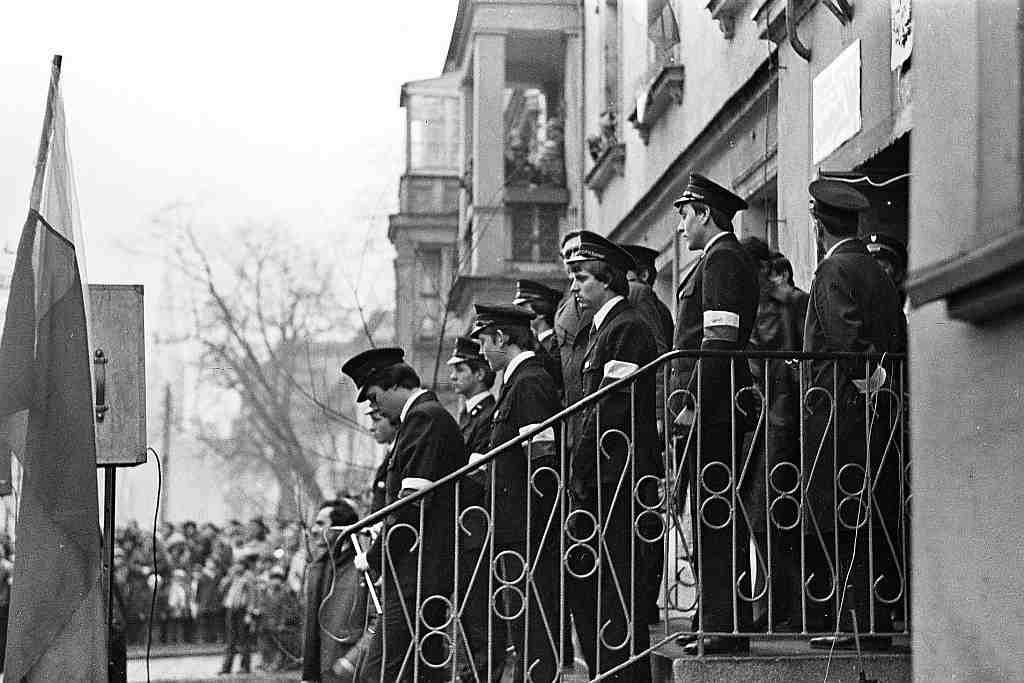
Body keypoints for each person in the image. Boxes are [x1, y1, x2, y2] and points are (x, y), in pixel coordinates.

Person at [802, 179, 906, 651]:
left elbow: (848, 345)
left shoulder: (832, 270)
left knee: (844, 511)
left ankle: (857, 624)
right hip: (874, 414)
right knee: (873, 511)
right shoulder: (877, 272)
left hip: (841, 414)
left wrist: (870, 387)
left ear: (818, 223)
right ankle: (874, 621)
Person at [671, 173, 759, 654]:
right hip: (712, 409)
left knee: (715, 516)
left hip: (716, 411)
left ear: (705, 213)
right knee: (709, 516)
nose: (682, 227)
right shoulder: (717, 258)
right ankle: (712, 617)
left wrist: (692, 405)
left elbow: (718, 343)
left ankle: (723, 626)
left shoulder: (724, 259)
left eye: (685, 215)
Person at [562, 231, 656, 682]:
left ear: (606, 280)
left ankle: (623, 673)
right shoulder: (601, 329)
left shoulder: (627, 327)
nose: (575, 287)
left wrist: (577, 468)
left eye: (581, 278)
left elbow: (608, 409)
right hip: (600, 474)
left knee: (619, 582)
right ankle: (609, 669)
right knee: (599, 583)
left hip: (616, 474)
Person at [341, 348, 465, 682]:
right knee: (420, 669)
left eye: (375, 396)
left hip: (418, 570)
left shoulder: (424, 418)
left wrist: (375, 556)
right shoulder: (422, 418)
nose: (373, 407)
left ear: (395, 385)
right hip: (417, 566)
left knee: (382, 671)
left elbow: (411, 503)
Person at [470, 305, 562, 682]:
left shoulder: (529, 382)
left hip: (528, 527)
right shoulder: (517, 380)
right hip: (515, 526)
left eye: (483, 342)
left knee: (532, 621)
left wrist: (538, 528)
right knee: (521, 620)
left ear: (502, 338)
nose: (481, 352)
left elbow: (543, 460)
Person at [739, 237, 805, 632]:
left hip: (785, 424)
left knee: (779, 514)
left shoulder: (790, 302)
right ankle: (772, 606)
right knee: (760, 517)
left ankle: (787, 608)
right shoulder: (751, 305)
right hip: (759, 425)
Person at [446, 335, 497, 680]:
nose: (452, 377)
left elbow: (475, 477)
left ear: (479, 373)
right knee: (468, 610)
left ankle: (482, 674)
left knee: (479, 612)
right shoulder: (467, 416)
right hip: (465, 527)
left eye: (459, 369)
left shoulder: (488, 416)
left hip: (477, 526)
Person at [301, 499, 369, 683]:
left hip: (351, 673)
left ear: (342, 529)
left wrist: (352, 660)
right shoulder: (317, 568)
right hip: (323, 674)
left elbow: (379, 620)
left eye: (321, 524)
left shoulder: (364, 568)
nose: (313, 530)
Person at [513, 279, 565, 395]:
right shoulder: (524, 344)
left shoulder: (558, 343)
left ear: (541, 312)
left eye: (522, 308)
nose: (516, 313)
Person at [219, 552, 259, 675]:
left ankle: (245, 667)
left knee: (243, 640)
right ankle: (226, 667)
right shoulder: (232, 577)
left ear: (244, 565)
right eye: (236, 564)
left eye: (239, 564)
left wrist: (249, 613)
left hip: (243, 610)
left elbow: (252, 596)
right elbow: (222, 589)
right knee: (230, 640)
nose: (237, 567)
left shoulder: (248, 577)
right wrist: (228, 578)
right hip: (231, 609)